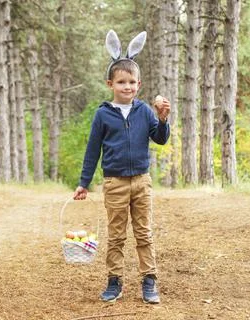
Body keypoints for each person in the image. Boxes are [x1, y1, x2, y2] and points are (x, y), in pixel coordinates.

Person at [73, 30, 170, 304]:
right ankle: (114, 281)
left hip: (142, 181)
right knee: (116, 235)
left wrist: (163, 120)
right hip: (114, 183)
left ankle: (149, 280)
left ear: (139, 84)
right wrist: (84, 182)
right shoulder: (102, 114)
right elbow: (93, 151)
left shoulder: (145, 112)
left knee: (144, 232)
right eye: (121, 82)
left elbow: (160, 140)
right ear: (110, 83)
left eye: (132, 82)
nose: (127, 87)